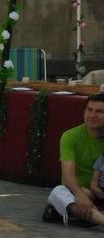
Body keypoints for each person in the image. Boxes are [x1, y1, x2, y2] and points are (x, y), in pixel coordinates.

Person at [44, 93, 104, 226]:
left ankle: (69, 213)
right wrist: (80, 195)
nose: (93, 115)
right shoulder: (70, 136)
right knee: (58, 192)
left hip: (101, 191)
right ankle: (94, 216)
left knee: (65, 202)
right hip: (77, 191)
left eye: (99, 112)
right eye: (89, 110)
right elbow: (67, 174)